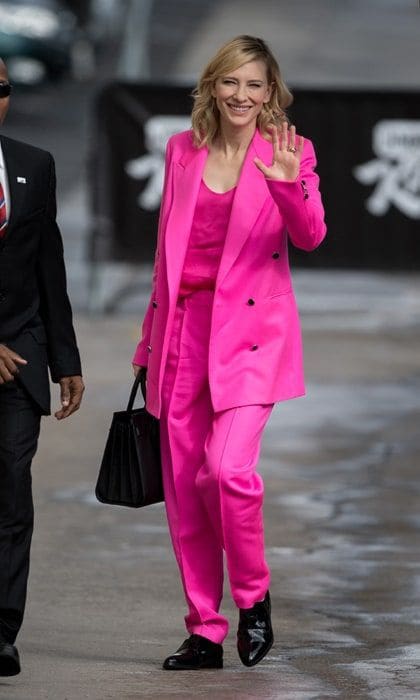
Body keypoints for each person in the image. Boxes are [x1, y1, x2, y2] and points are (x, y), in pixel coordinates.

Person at [132, 35, 326, 670]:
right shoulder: (181, 150)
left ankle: (254, 595)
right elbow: (165, 255)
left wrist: (287, 185)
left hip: (250, 340)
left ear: (272, 92)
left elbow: (311, 235)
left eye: (254, 84)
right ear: (212, 87)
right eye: (229, 83)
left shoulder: (290, 154)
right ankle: (204, 631)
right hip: (182, 335)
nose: (241, 96)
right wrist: (147, 341)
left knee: (227, 472)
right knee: (187, 491)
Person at [0, 59, 84, 676]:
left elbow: (47, 265)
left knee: (11, 495)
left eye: (0, 88)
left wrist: (65, 358)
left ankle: (1, 633)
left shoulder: (34, 164)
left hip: (22, 360)